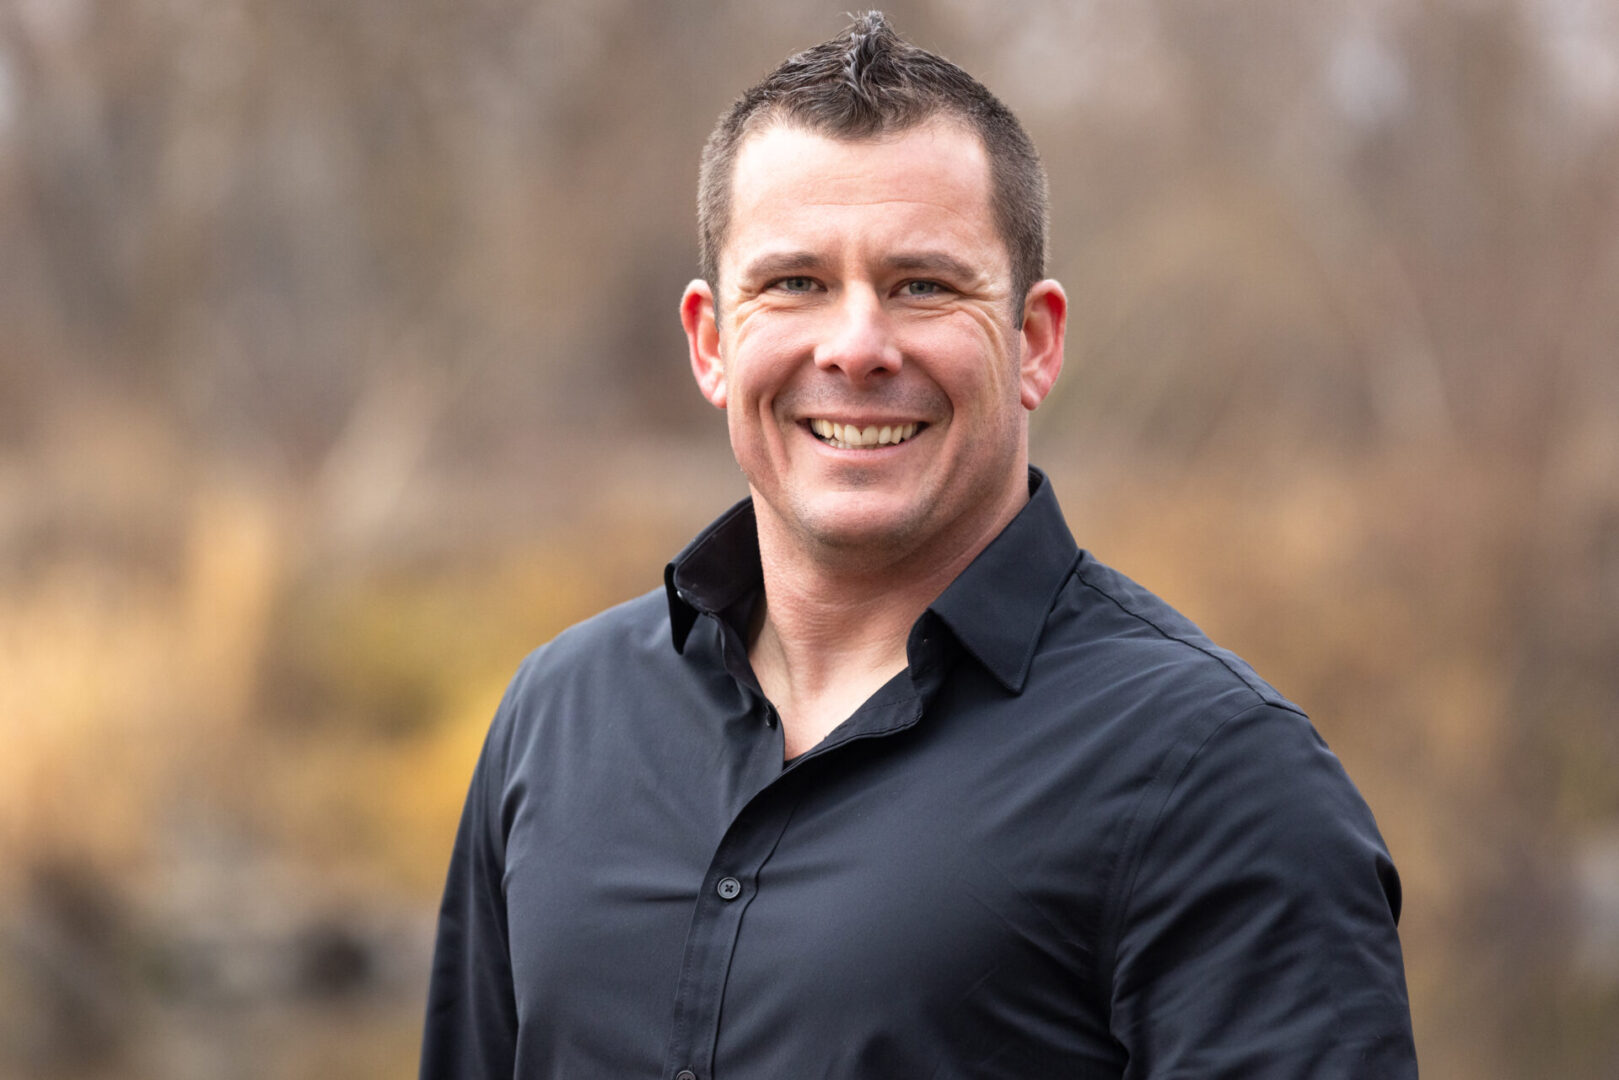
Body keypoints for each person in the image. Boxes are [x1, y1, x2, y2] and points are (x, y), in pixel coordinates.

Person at [419, 12, 1417, 1079]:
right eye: (793, 282)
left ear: (1033, 342)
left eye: (922, 286)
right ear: (712, 342)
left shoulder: (1215, 778)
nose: (855, 348)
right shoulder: (557, 718)